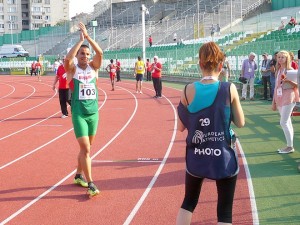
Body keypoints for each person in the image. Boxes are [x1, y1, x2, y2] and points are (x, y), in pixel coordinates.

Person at [176, 41, 245, 225]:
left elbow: (181, 127)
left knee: (189, 201)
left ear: (200, 63)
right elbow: (241, 122)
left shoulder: (187, 90)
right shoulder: (229, 88)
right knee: (225, 210)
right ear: (221, 66)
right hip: (223, 155)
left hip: (196, 154)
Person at [64, 22, 103, 197]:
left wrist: (88, 38)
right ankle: (91, 184)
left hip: (93, 113)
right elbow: (67, 59)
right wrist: (80, 41)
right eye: (82, 53)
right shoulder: (72, 70)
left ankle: (79, 175)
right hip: (79, 113)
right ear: (78, 55)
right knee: (86, 149)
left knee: (86, 148)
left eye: (87, 54)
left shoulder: (94, 68)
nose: (85, 56)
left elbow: (100, 53)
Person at [272, 50, 299, 154]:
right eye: (279, 57)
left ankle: (289, 146)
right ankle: (290, 145)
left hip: (289, 97)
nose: (280, 59)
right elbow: (276, 87)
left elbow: (296, 85)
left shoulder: (290, 70)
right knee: (287, 122)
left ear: (287, 58)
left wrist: (288, 81)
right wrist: (273, 102)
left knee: (283, 122)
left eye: (282, 57)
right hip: (280, 98)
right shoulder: (278, 70)